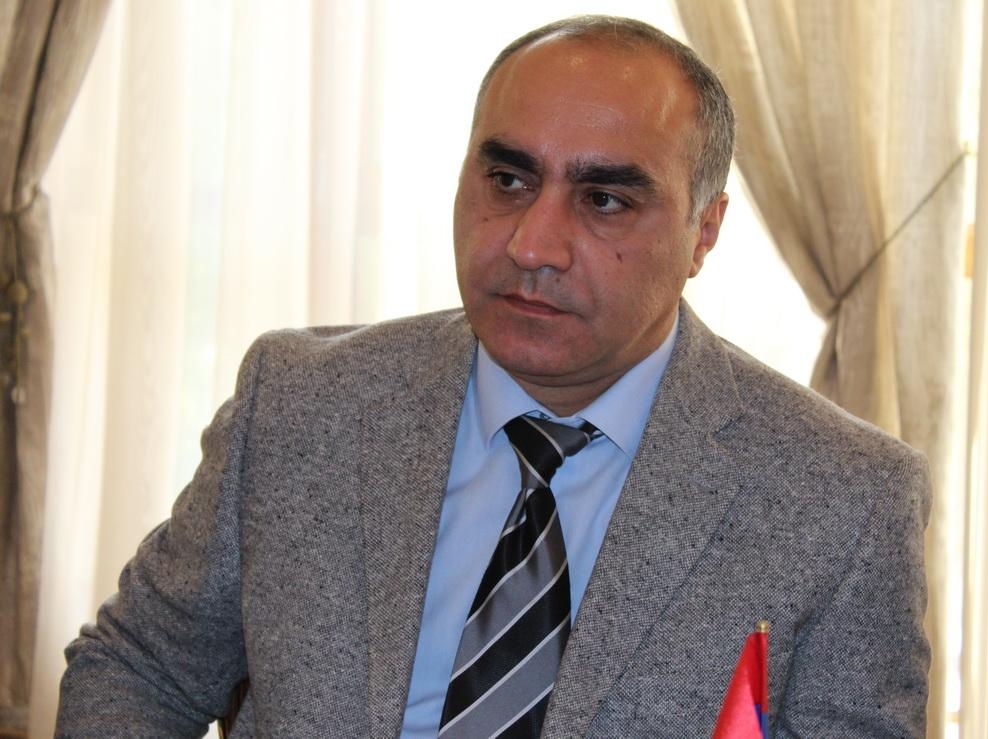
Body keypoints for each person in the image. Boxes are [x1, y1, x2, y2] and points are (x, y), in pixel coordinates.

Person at [56, 15, 930, 738]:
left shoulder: (844, 498)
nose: (532, 245)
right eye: (508, 179)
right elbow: (138, 669)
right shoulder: (299, 404)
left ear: (705, 232)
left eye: (605, 199)